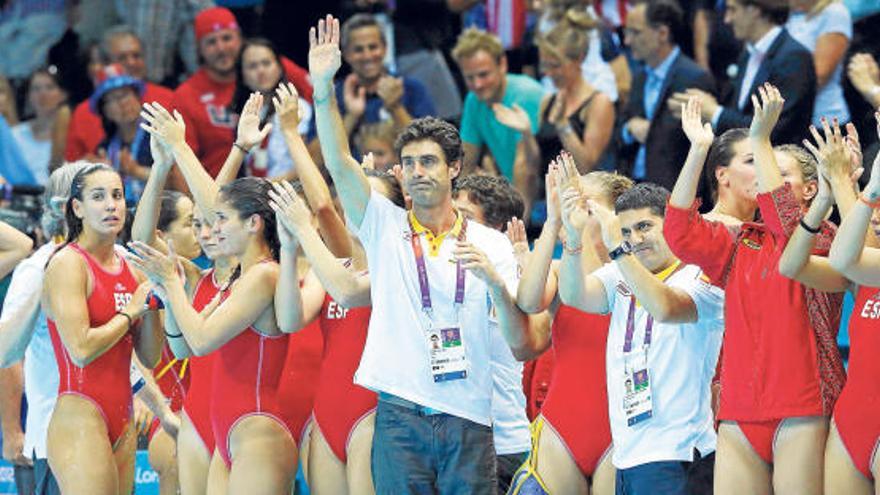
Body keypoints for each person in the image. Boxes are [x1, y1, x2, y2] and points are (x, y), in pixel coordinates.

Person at [309, 15, 527, 492]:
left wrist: (494, 282)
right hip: (400, 413)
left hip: (471, 415)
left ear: (454, 168)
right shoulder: (383, 227)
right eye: (407, 164)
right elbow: (338, 162)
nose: (416, 172)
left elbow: (519, 341)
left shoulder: (490, 244)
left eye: (428, 162)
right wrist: (323, 91)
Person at [664, 84, 846, 494]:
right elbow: (678, 233)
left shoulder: (826, 238)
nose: (764, 181)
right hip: (738, 408)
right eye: (761, 169)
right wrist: (698, 151)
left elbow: (786, 225)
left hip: (804, 403)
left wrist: (761, 138)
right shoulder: (740, 241)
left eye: (777, 175)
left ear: (811, 189)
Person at [137, 103, 299, 493]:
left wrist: (183, 148)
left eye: (220, 222)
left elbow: (203, 340)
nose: (211, 229)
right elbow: (184, 348)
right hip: (215, 421)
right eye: (202, 224)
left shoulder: (265, 275)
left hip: (256, 428)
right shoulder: (228, 280)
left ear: (254, 224)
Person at [555, 174, 723, 495]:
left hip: (679, 453)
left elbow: (665, 308)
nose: (636, 238)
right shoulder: (622, 271)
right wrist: (574, 237)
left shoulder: (700, 275)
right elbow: (576, 295)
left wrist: (618, 248)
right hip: (628, 454)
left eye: (645, 227)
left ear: (671, 225)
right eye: (627, 231)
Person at [507, 156, 633, 495]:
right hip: (563, 423)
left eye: (583, 203)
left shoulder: (636, 273)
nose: (572, 209)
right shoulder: (561, 270)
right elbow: (529, 302)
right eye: (567, 201)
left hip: (621, 426)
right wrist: (551, 223)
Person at [41, 163, 162, 494]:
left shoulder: (132, 271)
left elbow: (149, 358)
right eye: (99, 197)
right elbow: (80, 350)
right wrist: (130, 312)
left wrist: (155, 298)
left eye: (118, 196)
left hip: (121, 418)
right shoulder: (68, 263)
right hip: (80, 415)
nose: (111, 205)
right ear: (77, 208)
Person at [449, 174, 532, 492]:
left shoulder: (514, 278)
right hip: (454, 440)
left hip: (501, 442)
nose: (455, 225)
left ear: (496, 232)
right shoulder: (448, 270)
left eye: (466, 218)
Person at [494, 8, 615, 220]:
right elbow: (533, 164)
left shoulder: (599, 103)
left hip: (590, 209)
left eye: (555, 65)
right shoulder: (547, 102)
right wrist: (526, 133)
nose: (549, 73)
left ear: (579, 59)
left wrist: (563, 125)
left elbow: (587, 166)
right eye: (545, 66)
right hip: (553, 207)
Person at [172, 6, 312, 179]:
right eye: (211, 42)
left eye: (227, 38)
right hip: (218, 190)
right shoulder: (185, 95)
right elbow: (181, 161)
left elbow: (323, 100)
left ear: (240, 38)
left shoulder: (266, 64)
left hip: (281, 185)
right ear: (198, 49)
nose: (221, 48)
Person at [669, 0, 816, 146]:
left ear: (754, 10)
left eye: (733, 10)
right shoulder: (748, 53)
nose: (727, 19)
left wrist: (715, 112)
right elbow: (738, 109)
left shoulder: (794, 57)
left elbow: (775, 129)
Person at [826, 112, 880, 494]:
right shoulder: (869, 272)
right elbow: (846, 255)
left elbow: (848, 258)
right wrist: (857, 186)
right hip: (851, 421)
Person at [621, 0, 715, 190]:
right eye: (626, 32)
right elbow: (621, 126)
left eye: (636, 32)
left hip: (672, 190)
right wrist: (629, 129)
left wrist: (653, 132)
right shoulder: (640, 76)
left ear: (662, 33)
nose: (627, 41)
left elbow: (697, 143)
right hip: (634, 185)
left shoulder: (693, 78)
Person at [64, 26, 176, 167]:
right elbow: (71, 170)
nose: (131, 62)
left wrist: (137, 172)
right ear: (105, 64)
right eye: (122, 58)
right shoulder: (83, 113)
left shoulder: (170, 98)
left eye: (136, 56)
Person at [322, 13, 435, 149]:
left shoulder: (412, 88)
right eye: (358, 49)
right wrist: (351, 117)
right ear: (345, 54)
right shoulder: (331, 96)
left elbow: (430, 148)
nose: (367, 56)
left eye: (373, 47)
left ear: (385, 48)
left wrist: (396, 107)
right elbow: (316, 160)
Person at [453, 27, 545, 179]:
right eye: (470, 78)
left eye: (483, 74)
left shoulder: (526, 94)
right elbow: (466, 162)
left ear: (502, 64)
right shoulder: (473, 99)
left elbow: (525, 168)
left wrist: (514, 203)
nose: (478, 84)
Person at [229, 38, 313, 179]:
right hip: (254, 193)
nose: (260, 71)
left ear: (279, 68)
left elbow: (310, 164)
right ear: (242, 75)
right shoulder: (246, 113)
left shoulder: (296, 106)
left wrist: (265, 189)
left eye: (266, 63)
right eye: (252, 66)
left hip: (292, 192)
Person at [89, 64, 154, 205]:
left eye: (125, 94)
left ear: (138, 97)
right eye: (112, 99)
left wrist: (137, 171)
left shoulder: (159, 134)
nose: (122, 103)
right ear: (104, 111)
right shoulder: (105, 148)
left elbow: (180, 183)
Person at [786, 0, 853, 125]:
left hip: (823, 119)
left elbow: (819, 76)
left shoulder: (834, 12)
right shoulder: (792, 12)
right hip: (791, 116)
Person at [11, 68, 66, 186]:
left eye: (50, 87)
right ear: (29, 96)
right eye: (36, 89)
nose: (43, 94)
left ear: (63, 95)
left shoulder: (72, 133)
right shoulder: (15, 135)